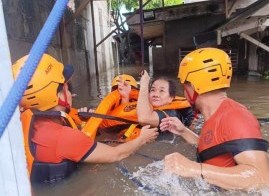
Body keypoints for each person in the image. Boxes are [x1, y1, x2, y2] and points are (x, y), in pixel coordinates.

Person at [12, 54, 159, 182]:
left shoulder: (24, 121)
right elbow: (117, 155)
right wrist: (142, 138)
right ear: (57, 96)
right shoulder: (64, 137)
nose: (71, 93)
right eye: (67, 87)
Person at [160, 48, 269, 191]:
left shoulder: (236, 117)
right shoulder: (216, 115)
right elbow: (216, 146)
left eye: (184, 86)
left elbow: (262, 180)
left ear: (193, 87)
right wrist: (184, 132)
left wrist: (194, 169)